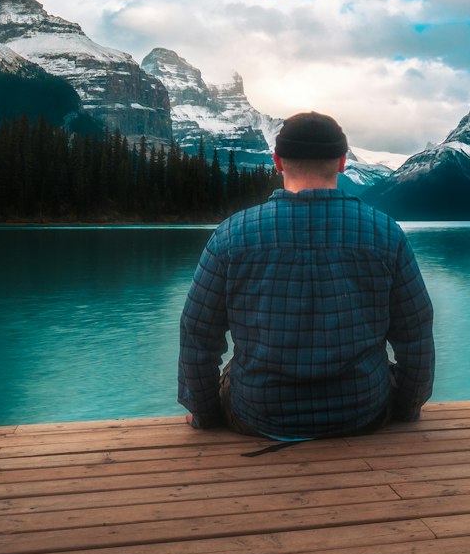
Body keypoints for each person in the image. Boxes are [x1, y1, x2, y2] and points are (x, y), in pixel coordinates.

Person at [178, 111, 434, 442]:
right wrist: (407, 409)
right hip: (361, 410)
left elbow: (198, 333)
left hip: (259, 413)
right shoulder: (386, 233)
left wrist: (205, 415)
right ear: (342, 163)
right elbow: (415, 333)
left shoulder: (230, 235)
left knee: (232, 370)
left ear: (277, 162)